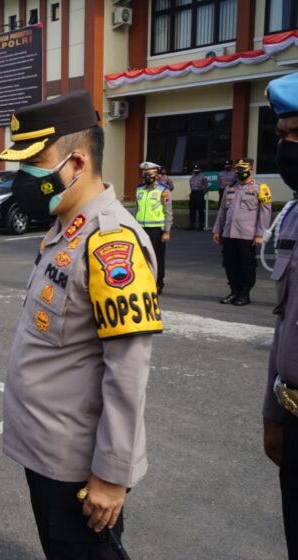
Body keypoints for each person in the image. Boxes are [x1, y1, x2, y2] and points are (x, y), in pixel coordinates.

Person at [0, 90, 161, 559]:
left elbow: (128, 371)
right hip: (45, 450)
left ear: (76, 163)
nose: (23, 177)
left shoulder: (112, 242)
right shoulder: (65, 227)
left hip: (78, 467)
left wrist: (113, 473)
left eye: (34, 162)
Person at [261, 71, 298, 559]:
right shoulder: (293, 214)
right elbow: (284, 319)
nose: (289, 147)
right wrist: (273, 412)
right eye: (285, 136)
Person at [212, 158, 272, 306]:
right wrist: (217, 230)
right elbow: (222, 211)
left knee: (246, 264)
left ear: (251, 170)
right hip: (228, 233)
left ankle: (244, 293)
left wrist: (260, 234)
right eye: (238, 170)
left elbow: (265, 213)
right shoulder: (230, 188)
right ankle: (234, 291)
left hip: (247, 234)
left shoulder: (261, 188)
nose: (240, 173)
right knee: (230, 264)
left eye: (243, 170)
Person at [135, 161, 172, 294]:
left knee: (157, 257)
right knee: (142, 257)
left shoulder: (163, 191)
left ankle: (158, 283)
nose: (146, 176)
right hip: (141, 229)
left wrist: (167, 231)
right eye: (144, 174)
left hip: (157, 230)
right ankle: (145, 282)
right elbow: (136, 209)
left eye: (149, 173)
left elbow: (168, 212)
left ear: (156, 174)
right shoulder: (139, 189)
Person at [188, 164, 209, 230]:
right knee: (192, 210)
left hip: (200, 193)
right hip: (193, 193)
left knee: (200, 210)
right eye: (195, 169)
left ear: (200, 170)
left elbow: (206, 187)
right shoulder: (192, 177)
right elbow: (191, 186)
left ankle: (201, 225)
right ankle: (192, 225)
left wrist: (202, 193)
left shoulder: (203, 177)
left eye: (197, 169)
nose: (196, 171)